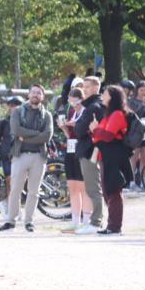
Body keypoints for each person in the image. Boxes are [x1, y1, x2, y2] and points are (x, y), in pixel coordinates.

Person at [0, 85, 53, 232]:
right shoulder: (17, 111)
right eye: (33, 92)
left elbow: (47, 136)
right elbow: (16, 130)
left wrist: (26, 137)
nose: (35, 95)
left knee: (34, 192)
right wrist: (37, 134)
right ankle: (10, 221)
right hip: (20, 155)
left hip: (39, 157)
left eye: (39, 93)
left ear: (43, 97)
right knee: (15, 189)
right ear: (28, 95)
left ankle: (29, 222)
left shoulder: (47, 115)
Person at [91, 84, 132, 235]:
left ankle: (114, 227)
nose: (102, 95)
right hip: (106, 156)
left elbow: (107, 136)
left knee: (113, 190)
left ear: (112, 97)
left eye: (105, 93)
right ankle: (112, 225)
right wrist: (97, 132)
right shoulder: (109, 114)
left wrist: (95, 130)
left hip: (114, 156)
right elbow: (100, 136)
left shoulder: (117, 114)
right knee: (108, 191)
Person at [74, 76, 105, 234]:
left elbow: (79, 130)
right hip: (92, 149)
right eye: (83, 86)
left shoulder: (93, 106)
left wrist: (79, 126)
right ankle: (96, 220)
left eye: (87, 86)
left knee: (93, 188)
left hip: (90, 150)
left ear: (95, 87)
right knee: (94, 187)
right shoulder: (95, 105)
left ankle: (96, 222)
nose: (84, 90)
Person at [59, 88, 93, 233]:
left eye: (76, 103)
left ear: (82, 100)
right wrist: (64, 128)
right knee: (72, 186)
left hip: (83, 150)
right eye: (71, 103)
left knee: (83, 187)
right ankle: (75, 221)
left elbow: (89, 131)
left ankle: (87, 221)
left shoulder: (87, 112)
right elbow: (70, 135)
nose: (74, 106)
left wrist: (76, 125)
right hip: (71, 149)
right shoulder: (72, 112)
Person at [0, 96, 23, 221]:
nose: (14, 107)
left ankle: (15, 208)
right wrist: (3, 151)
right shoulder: (4, 123)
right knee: (11, 183)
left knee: (20, 184)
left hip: (22, 155)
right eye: (12, 105)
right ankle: (11, 209)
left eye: (17, 105)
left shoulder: (25, 122)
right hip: (8, 157)